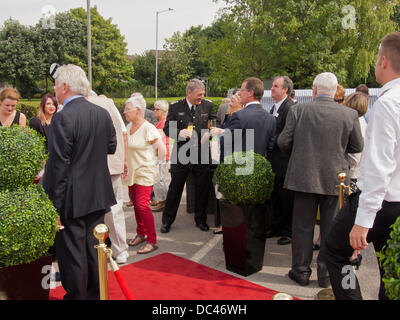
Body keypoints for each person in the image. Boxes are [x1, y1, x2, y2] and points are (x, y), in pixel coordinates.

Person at [322, 32, 400, 300]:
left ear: (384, 61)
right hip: (394, 202)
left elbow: (379, 169)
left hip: (380, 201)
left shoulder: (388, 104)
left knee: (334, 253)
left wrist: (363, 222)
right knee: (390, 269)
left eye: (378, 56)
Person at [277, 72, 364, 288]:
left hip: (303, 177)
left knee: (302, 228)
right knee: (330, 229)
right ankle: (325, 276)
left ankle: (301, 271)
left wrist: (298, 158)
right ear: (335, 92)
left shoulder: (299, 110)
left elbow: (283, 141)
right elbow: (357, 147)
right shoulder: (349, 114)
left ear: (314, 90)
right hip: (335, 178)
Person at [43, 64, 117, 300]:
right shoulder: (101, 113)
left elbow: (58, 167)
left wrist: (52, 205)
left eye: (56, 86)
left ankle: (78, 296)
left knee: (73, 253)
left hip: (72, 198)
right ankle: (95, 294)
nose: (55, 91)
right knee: (94, 249)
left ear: (65, 86)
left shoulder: (63, 117)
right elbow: (111, 147)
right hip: (98, 193)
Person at [160, 79, 216, 234]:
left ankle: (201, 220)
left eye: (203, 94)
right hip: (181, 155)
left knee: (202, 189)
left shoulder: (208, 105)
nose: (201, 97)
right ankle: (167, 221)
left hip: (202, 154)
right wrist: (178, 133)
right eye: (199, 94)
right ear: (189, 93)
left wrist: (210, 134)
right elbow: (167, 129)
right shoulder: (175, 106)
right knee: (175, 190)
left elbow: (214, 122)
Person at [87, 91, 130, 264]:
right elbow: (122, 133)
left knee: (92, 212)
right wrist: (122, 160)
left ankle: (97, 250)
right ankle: (120, 250)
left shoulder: (72, 105)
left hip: (92, 166)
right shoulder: (109, 104)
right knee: (114, 210)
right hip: (111, 163)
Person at [123, 95, 166, 254]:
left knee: (142, 205)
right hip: (132, 172)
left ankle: (152, 240)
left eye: (127, 109)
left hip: (144, 172)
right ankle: (141, 233)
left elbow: (162, 151)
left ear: (138, 110)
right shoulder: (128, 127)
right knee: (135, 204)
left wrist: (152, 162)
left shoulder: (148, 128)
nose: (124, 112)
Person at [266, 76, 295, 246]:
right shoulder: (274, 107)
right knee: (275, 198)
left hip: (284, 162)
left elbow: (287, 135)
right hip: (274, 162)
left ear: (285, 90)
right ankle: (276, 227)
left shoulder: (290, 108)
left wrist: (271, 140)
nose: (272, 88)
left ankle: (288, 231)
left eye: (276, 86)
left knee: (286, 200)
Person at [226, 77, 276, 158]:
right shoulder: (271, 119)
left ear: (251, 93)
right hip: (260, 167)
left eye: (242, 90)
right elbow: (270, 147)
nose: (239, 94)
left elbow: (226, 142)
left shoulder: (238, 116)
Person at [151, 100, 170, 212]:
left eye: (157, 109)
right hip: (160, 153)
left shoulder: (163, 123)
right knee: (159, 178)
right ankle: (161, 201)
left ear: (164, 111)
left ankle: (162, 201)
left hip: (161, 154)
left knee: (159, 178)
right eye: (154, 108)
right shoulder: (160, 122)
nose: (154, 111)